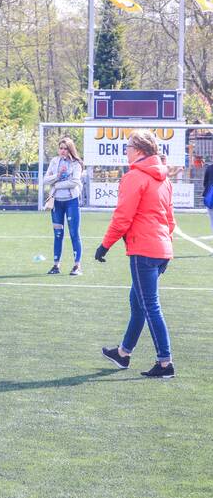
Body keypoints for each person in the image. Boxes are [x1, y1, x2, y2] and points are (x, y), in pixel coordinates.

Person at [97, 130, 176, 379]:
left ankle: (165, 363)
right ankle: (123, 353)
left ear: (140, 150)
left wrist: (105, 245)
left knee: (149, 305)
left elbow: (123, 217)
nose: (126, 150)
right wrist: (165, 245)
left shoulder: (135, 177)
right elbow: (170, 220)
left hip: (144, 249)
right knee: (138, 303)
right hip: (161, 249)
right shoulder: (164, 179)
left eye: (129, 146)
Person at [42, 136, 84, 276]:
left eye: (65, 149)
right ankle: (56, 265)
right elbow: (45, 180)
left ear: (70, 149)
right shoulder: (54, 161)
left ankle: (77, 266)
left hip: (71, 201)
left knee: (74, 233)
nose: (63, 151)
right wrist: (57, 176)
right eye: (61, 148)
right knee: (58, 234)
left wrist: (57, 184)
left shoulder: (76, 164)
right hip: (57, 203)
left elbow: (75, 182)